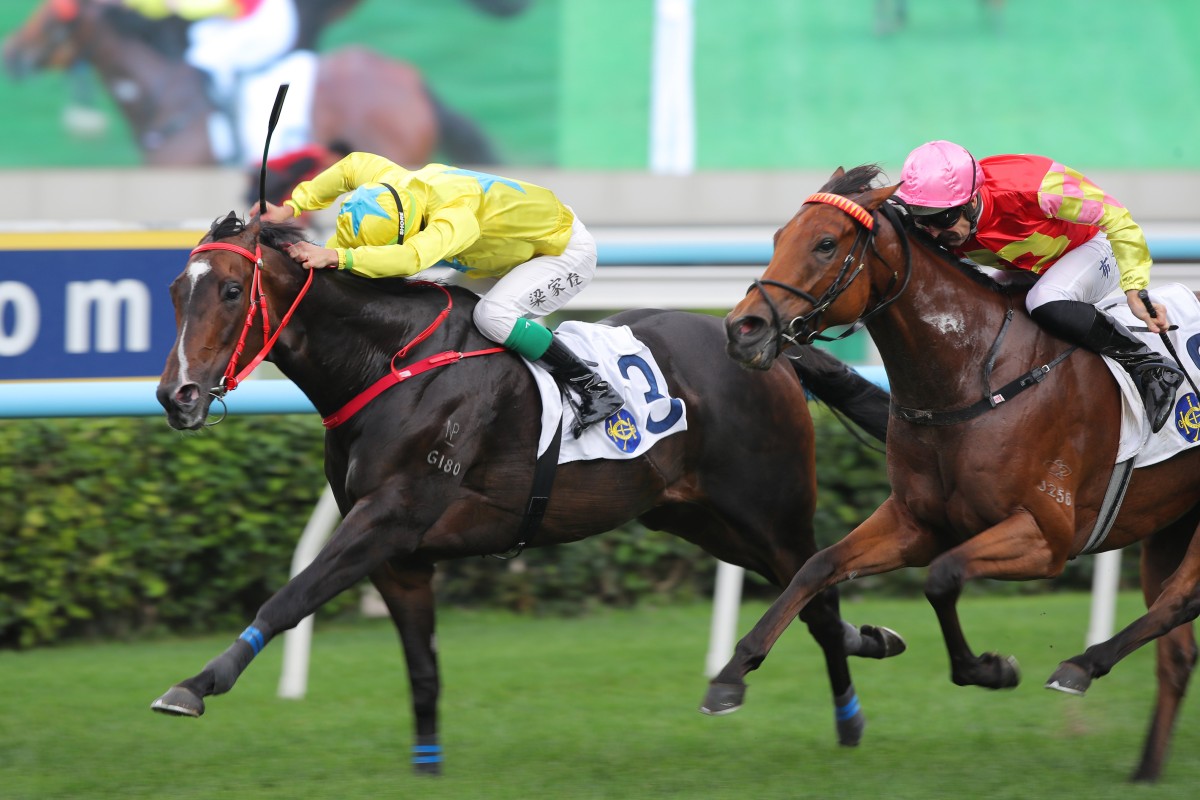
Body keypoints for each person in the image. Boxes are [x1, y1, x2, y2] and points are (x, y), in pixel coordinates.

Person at [253, 151, 625, 435]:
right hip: (505, 253)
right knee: (440, 308)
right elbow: (350, 168)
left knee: (492, 317)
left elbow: (411, 257)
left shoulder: (455, 216)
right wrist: (291, 207)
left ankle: (592, 386)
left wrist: (338, 256)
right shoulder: (394, 183)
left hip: (561, 252)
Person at [895, 139, 1183, 433]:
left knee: (1043, 300)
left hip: (1094, 246)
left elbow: (1118, 219)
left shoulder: (1034, 187)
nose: (933, 231)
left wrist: (1134, 289)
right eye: (922, 220)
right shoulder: (938, 225)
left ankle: (1149, 365)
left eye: (943, 218)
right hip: (1030, 268)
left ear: (970, 200)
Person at [102, 0, 300, 128]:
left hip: (266, 19)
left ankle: (236, 125)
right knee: (199, 40)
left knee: (205, 57)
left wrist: (179, 5)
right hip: (241, 15)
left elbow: (214, 5)